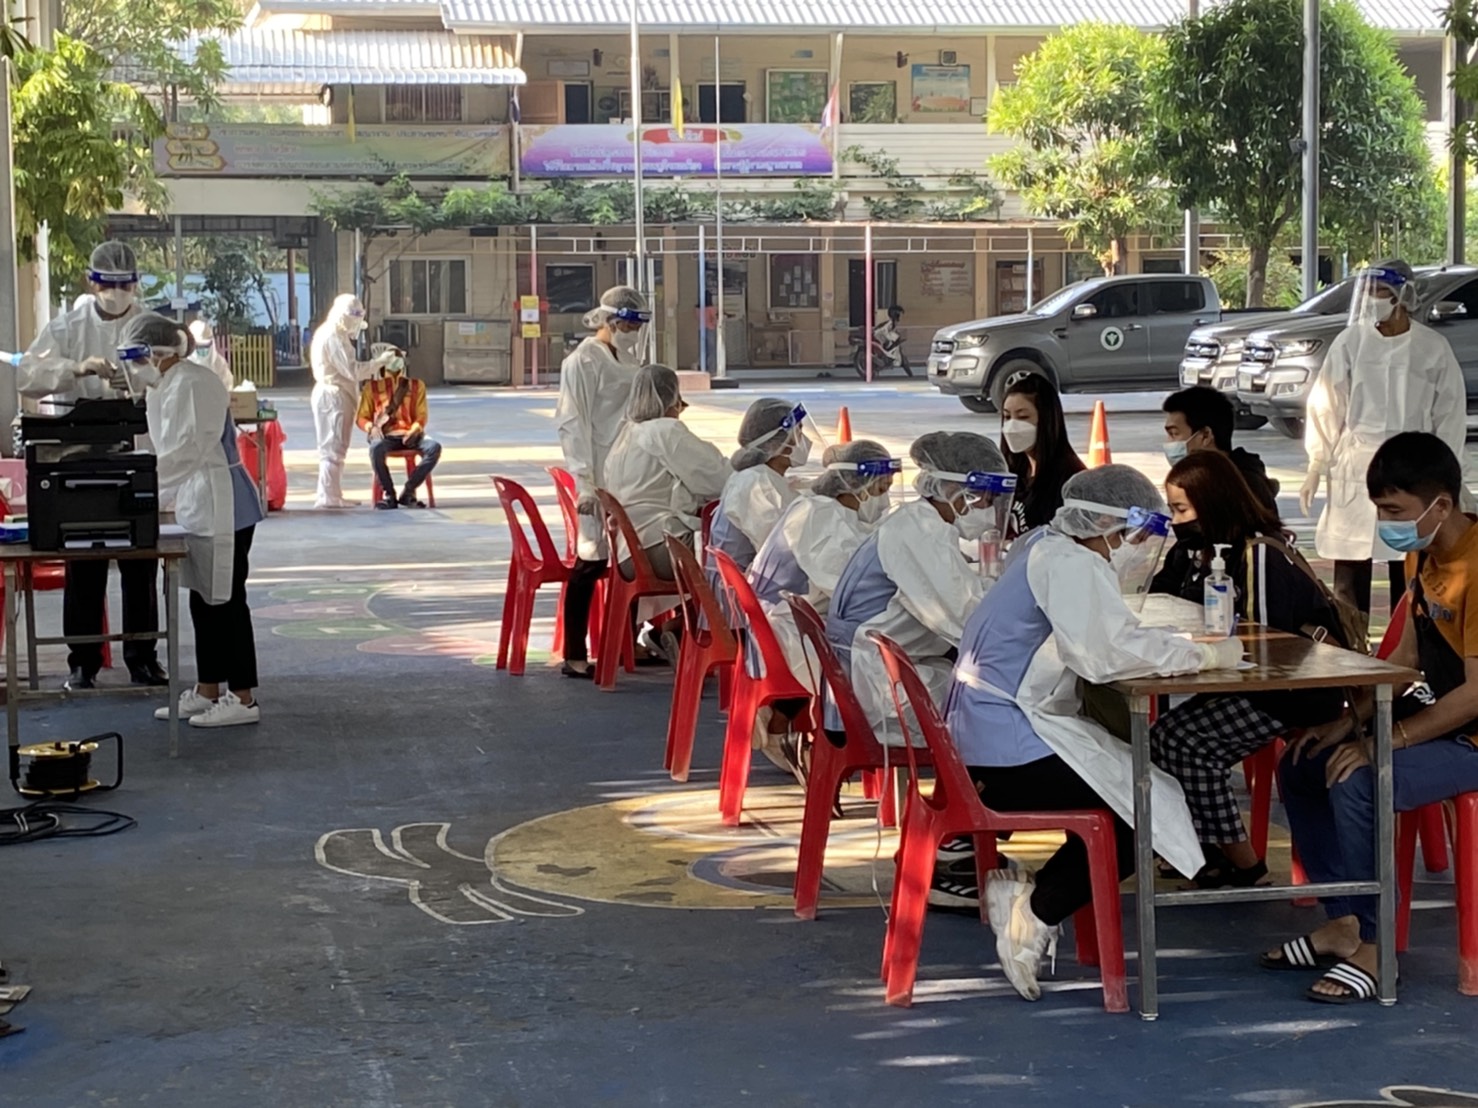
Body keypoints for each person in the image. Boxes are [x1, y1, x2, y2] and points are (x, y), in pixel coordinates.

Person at [941, 465, 1245, 999]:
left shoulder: (1043, 545)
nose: (1134, 547)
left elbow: (1102, 637)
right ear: (1107, 526)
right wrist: (1201, 655)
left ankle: (1033, 898)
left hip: (986, 731)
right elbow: (1105, 655)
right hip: (1009, 747)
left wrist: (1168, 648)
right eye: (1133, 534)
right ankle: (1035, 912)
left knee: (1136, 790)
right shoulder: (1072, 564)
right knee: (1140, 812)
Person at [1269, 433, 1478, 1003]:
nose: (1386, 523)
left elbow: (1474, 695)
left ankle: (1375, 943)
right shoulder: (1422, 554)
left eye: (1395, 511)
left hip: (1471, 735)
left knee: (1360, 778)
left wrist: (1389, 741)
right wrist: (1349, 723)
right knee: (1306, 762)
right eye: (1381, 510)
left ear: (1440, 505)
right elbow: (1405, 661)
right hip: (1440, 714)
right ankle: (1344, 919)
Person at [1149, 450, 1346, 886]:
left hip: (1294, 690)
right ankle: (1204, 847)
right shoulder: (1201, 553)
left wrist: (1204, 647)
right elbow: (1161, 597)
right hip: (1252, 682)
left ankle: (1243, 861)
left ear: (1213, 505)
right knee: (1159, 739)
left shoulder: (1257, 555)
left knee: (1182, 741)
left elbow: (1265, 644)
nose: (1176, 521)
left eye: (1182, 510)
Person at [17, 241, 165, 690]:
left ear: (136, 285)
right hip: (79, 452)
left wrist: (139, 377)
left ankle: (142, 656)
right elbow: (27, 375)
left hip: (135, 447)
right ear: (91, 282)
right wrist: (76, 368)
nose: (117, 294)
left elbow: (173, 373)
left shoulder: (149, 325)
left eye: (125, 286)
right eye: (108, 285)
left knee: (140, 560)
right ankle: (83, 659)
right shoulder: (69, 327)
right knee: (84, 558)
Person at [120, 313, 264, 728]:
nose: (134, 369)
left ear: (157, 352)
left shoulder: (196, 382)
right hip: (197, 500)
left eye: (137, 358)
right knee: (203, 598)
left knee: (227, 600)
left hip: (223, 501)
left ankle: (243, 697)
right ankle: (208, 688)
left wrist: (142, 486)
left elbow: (191, 448)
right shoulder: (165, 385)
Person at [1301, 260, 1466, 618]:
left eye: (1381, 293)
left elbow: (1449, 413)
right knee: (1349, 570)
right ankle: (1349, 645)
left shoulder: (1432, 347)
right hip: (1356, 462)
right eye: (1368, 293)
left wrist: (1445, 475)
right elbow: (1327, 404)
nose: (1373, 301)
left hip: (1413, 466)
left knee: (1408, 568)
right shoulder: (1351, 342)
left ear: (1403, 296)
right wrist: (1317, 461)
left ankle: (1406, 643)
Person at [825, 431, 1011, 743]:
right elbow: (963, 619)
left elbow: (960, 590)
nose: (989, 510)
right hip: (875, 685)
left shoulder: (919, 522)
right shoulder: (920, 533)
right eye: (985, 498)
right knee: (1005, 703)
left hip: (876, 669)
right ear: (951, 489)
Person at [746, 440, 897, 772]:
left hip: (789, 619)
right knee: (876, 654)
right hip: (784, 629)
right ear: (856, 485)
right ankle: (813, 736)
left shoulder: (828, 510)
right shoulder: (819, 517)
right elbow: (847, 586)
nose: (884, 499)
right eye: (880, 489)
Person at [601, 364, 731, 664]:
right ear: (672, 398)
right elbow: (716, 478)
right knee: (736, 561)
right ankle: (681, 631)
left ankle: (673, 631)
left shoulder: (624, 435)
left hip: (629, 550)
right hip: (658, 549)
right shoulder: (665, 430)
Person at [555, 286, 650, 678]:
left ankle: (629, 641)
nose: (633, 332)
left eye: (638, 325)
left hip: (627, 471)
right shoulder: (583, 361)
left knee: (632, 558)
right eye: (629, 325)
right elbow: (572, 423)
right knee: (591, 562)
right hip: (595, 471)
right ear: (610, 320)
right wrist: (584, 483)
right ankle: (575, 654)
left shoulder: (626, 358)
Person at [705, 398, 807, 594]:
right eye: (798, 433)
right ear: (779, 442)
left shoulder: (758, 476)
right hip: (743, 596)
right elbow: (785, 551)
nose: (803, 441)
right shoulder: (758, 485)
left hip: (745, 585)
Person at [309, 294, 394, 509]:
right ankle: (328, 496)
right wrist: (378, 363)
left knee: (336, 447)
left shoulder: (335, 333)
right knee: (333, 447)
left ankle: (332, 493)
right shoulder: (333, 336)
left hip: (337, 395)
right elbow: (352, 370)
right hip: (333, 397)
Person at [1162, 386, 1279, 510]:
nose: (1169, 443)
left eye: (1174, 434)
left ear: (1205, 435)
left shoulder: (1235, 489)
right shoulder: (1209, 480)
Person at [999, 374, 1086, 539]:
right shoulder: (1014, 469)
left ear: (1047, 419)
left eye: (1023, 417)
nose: (1011, 426)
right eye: (1007, 417)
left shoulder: (1069, 478)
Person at [355, 344, 441, 510]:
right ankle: (389, 495)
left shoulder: (416, 385)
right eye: (390, 358)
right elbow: (361, 417)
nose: (395, 361)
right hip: (386, 436)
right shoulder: (372, 387)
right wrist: (371, 428)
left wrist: (414, 430)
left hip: (410, 436)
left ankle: (408, 492)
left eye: (398, 358)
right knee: (376, 449)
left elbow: (421, 415)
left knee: (434, 448)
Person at [188, 320, 235, 394]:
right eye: (199, 346)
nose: (203, 349)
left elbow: (228, 388)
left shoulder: (220, 364)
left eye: (206, 346)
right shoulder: (183, 366)